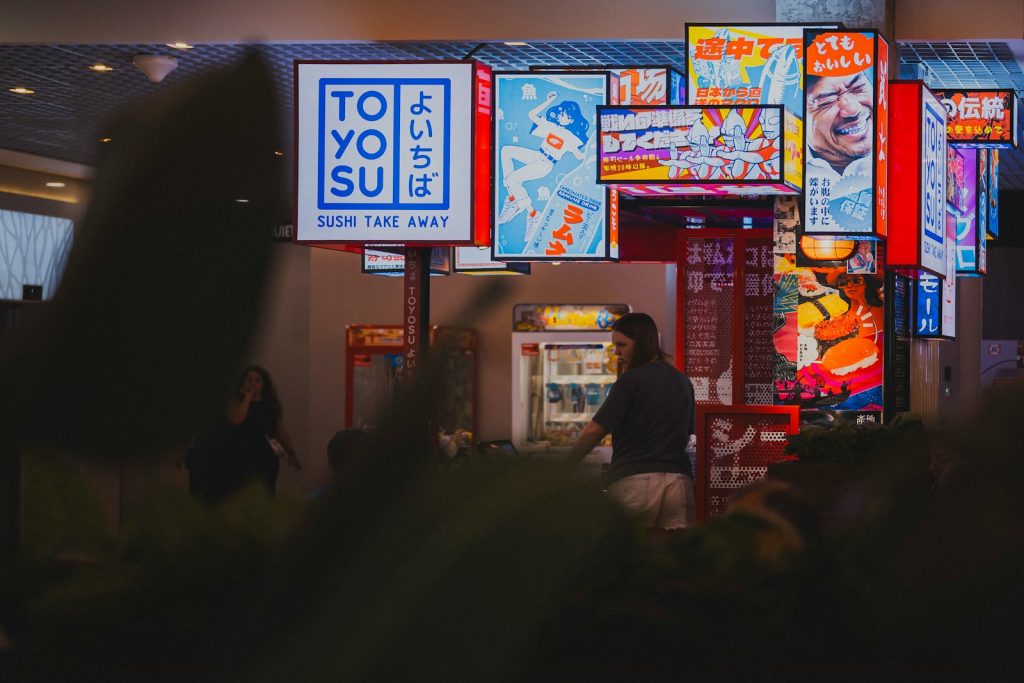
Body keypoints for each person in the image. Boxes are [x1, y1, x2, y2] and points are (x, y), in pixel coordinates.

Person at [568, 312, 697, 530]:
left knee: (627, 556)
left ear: (642, 343)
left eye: (622, 345)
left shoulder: (630, 380)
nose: (616, 352)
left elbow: (594, 431)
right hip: (679, 482)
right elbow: (689, 436)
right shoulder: (683, 381)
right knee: (674, 556)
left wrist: (564, 466)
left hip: (636, 481)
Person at [224, 365, 301, 496]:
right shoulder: (236, 400)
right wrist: (247, 397)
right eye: (249, 380)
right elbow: (236, 419)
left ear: (264, 383)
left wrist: (291, 452)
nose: (254, 383)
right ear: (243, 382)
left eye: (258, 380)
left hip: (266, 455)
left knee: (267, 492)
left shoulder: (269, 402)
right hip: (242, 455)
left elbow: (279, 429)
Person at [805, 71, 874, 178]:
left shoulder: (901, 154)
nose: (853, 109)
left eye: (858, 87)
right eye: (827, 101)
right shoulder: (782, 165)